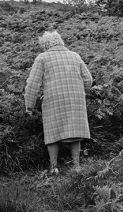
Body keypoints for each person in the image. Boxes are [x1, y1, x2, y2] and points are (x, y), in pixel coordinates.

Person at [24, 31, 93, 175]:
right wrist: (79, 89)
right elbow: (88, 80)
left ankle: (54, 167)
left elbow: (32, 84)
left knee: (52, 132)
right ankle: (76, 166)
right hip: (76, 98)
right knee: (75, 132)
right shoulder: (75, 56)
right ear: (60, 41)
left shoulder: (42, 58)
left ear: (45, 45)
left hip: (53, 98)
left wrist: (29, 106)